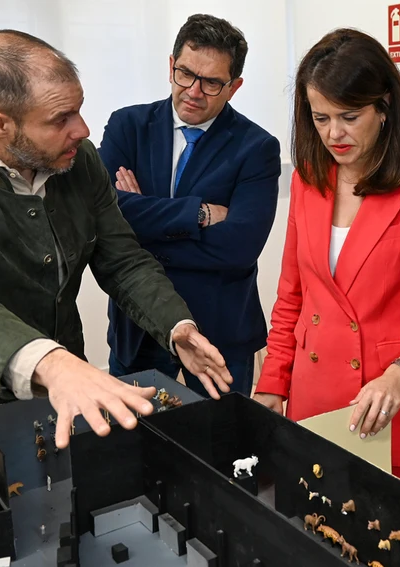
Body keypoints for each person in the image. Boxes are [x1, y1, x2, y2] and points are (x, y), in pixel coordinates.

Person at [0, 30, 233, 489]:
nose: (82, 129)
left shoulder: (79, 160)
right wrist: (53, 363)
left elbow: (123, 259)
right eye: (60, 118)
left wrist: (177, 327)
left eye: (79, 108)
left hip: (59, 396)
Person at [253, 29, 400, 489]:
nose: (335, 133)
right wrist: (273, 382)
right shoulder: (308, 181)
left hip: (387, 401)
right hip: (312, 396)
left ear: (384, 107)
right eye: (321, 118)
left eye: (350, 116)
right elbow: (292, 294)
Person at [98, 14, 281, 398]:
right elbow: (103, 217)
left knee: (222, 446)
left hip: (219, 328)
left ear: (234, 87)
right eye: (185, 73)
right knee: (134, 446)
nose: (194, 91)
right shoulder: (127, 127)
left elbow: (239, 247)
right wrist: (196, 214)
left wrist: (142, 219)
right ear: (171, 65)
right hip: (139, 323)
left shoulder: (257, 148)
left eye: (212, 82)